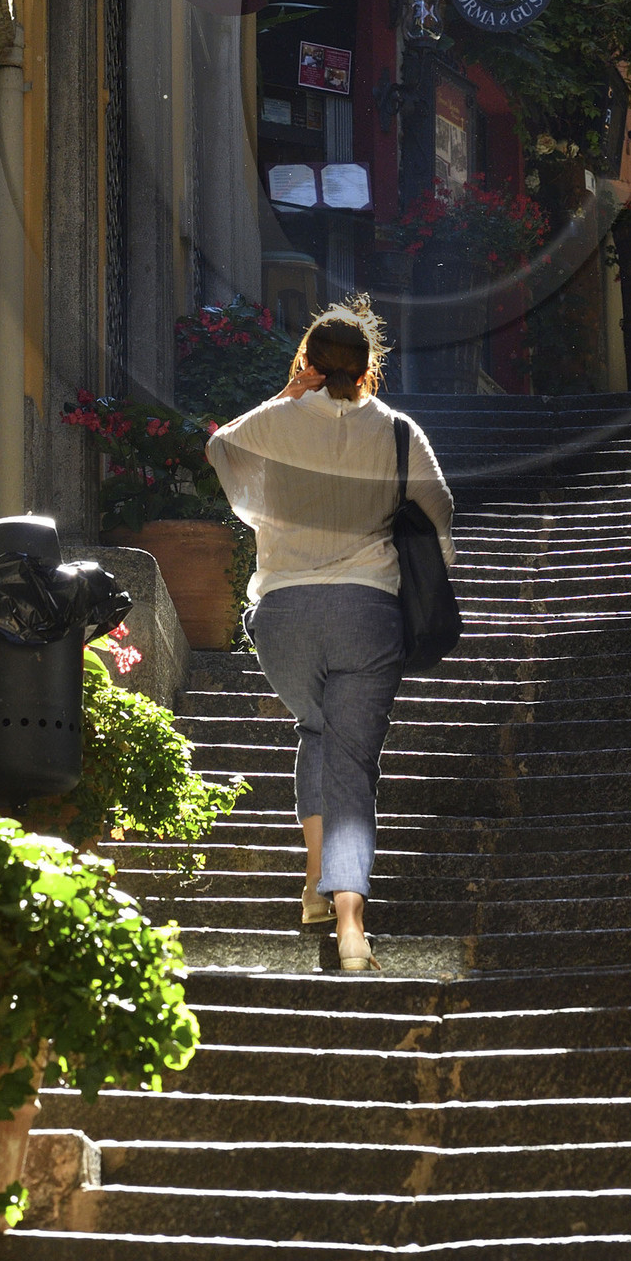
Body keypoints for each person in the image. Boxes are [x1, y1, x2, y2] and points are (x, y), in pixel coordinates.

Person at [206, 300, 454, 972]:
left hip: (284, 614)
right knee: (352, 761)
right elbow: (439, 512)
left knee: (316, 733)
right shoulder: (397, 431)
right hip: (366, 612)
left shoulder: (277, 420)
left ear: (308, 364)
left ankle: (317, 884)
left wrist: (288, 395)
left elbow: (220, 448)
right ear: (369, 369)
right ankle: (351, 922)